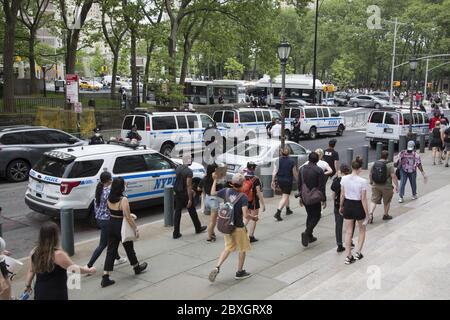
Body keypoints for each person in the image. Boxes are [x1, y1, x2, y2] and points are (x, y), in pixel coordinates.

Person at [24, 222, 96, 299]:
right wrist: (89, 270)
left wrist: (28, 285)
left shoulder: (34, 251)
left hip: (40, 292)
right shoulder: (58, 255)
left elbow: (31, 270)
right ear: (55, 236)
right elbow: (74, 269)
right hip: (55, 293)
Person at [208, 173, 258, 282]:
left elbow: (212, 193)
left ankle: (217, 267)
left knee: (228, 248)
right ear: (242, 184)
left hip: (227, 226)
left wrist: (215, 180)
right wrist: (253, 218)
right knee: (242, 249)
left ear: (232, 183)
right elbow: (245, 215)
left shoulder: (225, 191)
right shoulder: (243, 197)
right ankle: (239, 272)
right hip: (238, 227)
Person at [101, 177, 148, 288]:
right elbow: (127, 216)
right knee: (129, 247)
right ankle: (136, 268)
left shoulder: (109, 198)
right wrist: (135, 228)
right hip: (120, 225)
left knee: (111, 251)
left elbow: (112, 211)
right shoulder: (123, 200)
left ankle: (105, 277)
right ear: (121, 187)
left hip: (111, 223)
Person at [86, 171, 127, 270]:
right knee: (103, 244)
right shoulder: (108, 192)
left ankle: (117, 258)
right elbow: (118, 197)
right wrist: (125, 188)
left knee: (112, 240)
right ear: (109, 180)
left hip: (100, 219)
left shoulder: (99, 189)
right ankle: (89, 265)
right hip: (107, 220)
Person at [339, 157, 369, 265]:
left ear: (352, 167)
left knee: (348, 232)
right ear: (360, 168)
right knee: (362, 230)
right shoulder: (363, 181)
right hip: (358, 206)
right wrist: (367, 213)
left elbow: (342, 194)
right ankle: (358, 252)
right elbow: (363, 199)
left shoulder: (344, 179)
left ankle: (348, 256)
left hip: (347, 204)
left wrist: (341, 206)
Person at [173, 154, 207, 239]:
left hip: (177, 192)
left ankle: (176, 232)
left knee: (177, 212)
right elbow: (188, 185)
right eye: (191, 159)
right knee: (192, 211)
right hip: (185, 194)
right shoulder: (189, 172)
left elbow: (180, 182)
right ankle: (198, 228)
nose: (191, 160)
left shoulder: (178, 168)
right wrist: (190, 199)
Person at [298, 152, 327, 247]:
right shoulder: (319, 171)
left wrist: (301, 197)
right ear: (318, 160)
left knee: (310, 215)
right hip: (315, 196)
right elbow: (322, 186)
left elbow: (300, 184)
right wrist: (324, 199)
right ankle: (307, 233)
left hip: (305, 196)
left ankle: (309, 236)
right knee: (316, 216)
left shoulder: (302, 169)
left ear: (308, 159)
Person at [368, 150, 399, 223]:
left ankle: (370, 214)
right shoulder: (390, 164)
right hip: (386, 186)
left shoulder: (374, 163)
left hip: (376, 185)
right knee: (387, 201)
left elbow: (370, 174)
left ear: (380, 155)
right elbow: (393, 176)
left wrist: (371, 181)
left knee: (373, 200)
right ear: (387, 156)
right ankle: (385, 215)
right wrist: (397, 186)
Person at [272, 147, 298, 221]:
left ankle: (288, 209)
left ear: (281, 153)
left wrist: (272, 181)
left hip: (280, 180)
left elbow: (274, 172)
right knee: (285, 196)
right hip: (288, 181)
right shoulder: (292, 161)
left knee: (285, 195)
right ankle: (278, 212)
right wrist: (298, 180)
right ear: (289, 153)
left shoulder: (277, 160)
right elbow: (294, 173)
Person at [330, 164, 352, 252]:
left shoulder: (337, 181)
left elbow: (333, 194)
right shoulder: (351, 180)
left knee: (338, 225)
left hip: (338, 204)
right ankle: (349, 240)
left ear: (341, 171)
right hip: (349, 204)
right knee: (350, 224)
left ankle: (339, 244)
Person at [242, 162, 265, 243]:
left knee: (247, 217)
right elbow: (258, 193)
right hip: (254, 201)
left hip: (245, 200)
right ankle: (251, 236)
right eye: (255, 167)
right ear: (253, 168)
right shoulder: (255, 179)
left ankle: (239, 230)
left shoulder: (243, 176)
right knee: (254, 218)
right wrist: (263, 204)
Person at [198, 164, 220, 242]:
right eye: (216, 169)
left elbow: (198, 188)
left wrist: (204, 190)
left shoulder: (204, 178)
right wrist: (215, 180)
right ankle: (209, 237)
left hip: (207, 199)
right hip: (213, 200)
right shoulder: (215, 180)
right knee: (212, 222)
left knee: (211, 220)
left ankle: (212, 233)